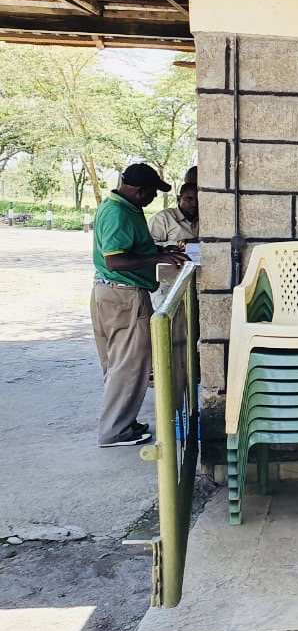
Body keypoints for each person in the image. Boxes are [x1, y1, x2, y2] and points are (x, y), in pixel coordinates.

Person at [91, 163, 188, 447]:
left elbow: (132, 249)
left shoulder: (123, 208)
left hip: (112, 291)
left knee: (120, 361)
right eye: (152, 193)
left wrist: (161, 251)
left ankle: (123, 422)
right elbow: (116, 260)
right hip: (123, 293)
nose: (154, 199)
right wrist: (157, 260)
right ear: (138, 190)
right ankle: (114, 431)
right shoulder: (117, 213)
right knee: (129, 364)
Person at [148, 181, 199, 298]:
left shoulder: (203, 221)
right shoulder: (163, 218)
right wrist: (180, 244)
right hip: (167, 283)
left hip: (196, 281)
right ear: (178, 198)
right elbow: (149, 247)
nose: (194, 204)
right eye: (189, 199)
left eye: (198, 199)